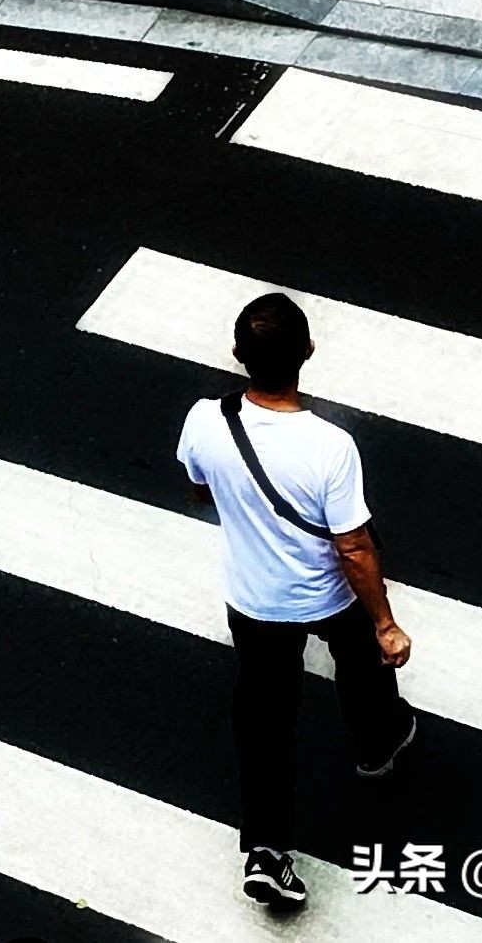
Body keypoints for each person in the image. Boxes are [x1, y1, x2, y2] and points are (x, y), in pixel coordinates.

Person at [178, 290, 415, 911]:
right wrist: (386, 623)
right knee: (363, 666)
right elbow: (355, 548)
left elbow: (200, 488)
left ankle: (266, 851)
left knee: (263, 722)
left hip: (256, 602)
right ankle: (376, 746)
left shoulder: (205, 420)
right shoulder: (329, 447)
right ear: (308, 352)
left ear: (238, 355)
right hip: (330, 596)